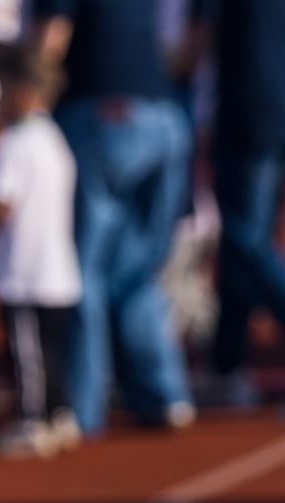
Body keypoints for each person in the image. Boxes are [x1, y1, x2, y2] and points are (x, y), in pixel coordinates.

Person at [33, 0, 194, 433]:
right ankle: (163, 393)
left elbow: (50, 41)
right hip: (164, 118)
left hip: (100, 116)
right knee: (137, 272)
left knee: (83, 271)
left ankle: (84, 409)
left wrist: (21, 98)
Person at [0, 57, 80, 454]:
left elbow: (2, 204)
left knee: (27, 351)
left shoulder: (17, 142)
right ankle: (59, 414)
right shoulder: (55, 138)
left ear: (23, 92)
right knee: (51, 349)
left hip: (24, 270)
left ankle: (32, 420)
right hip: (55, 268)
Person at [192, 0, 285, 410]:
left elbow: (196, 43)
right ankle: (226, 365)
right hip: (264, 114)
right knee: (241, 245)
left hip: (249, 116)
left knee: (246, 240)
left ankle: (227, 365)